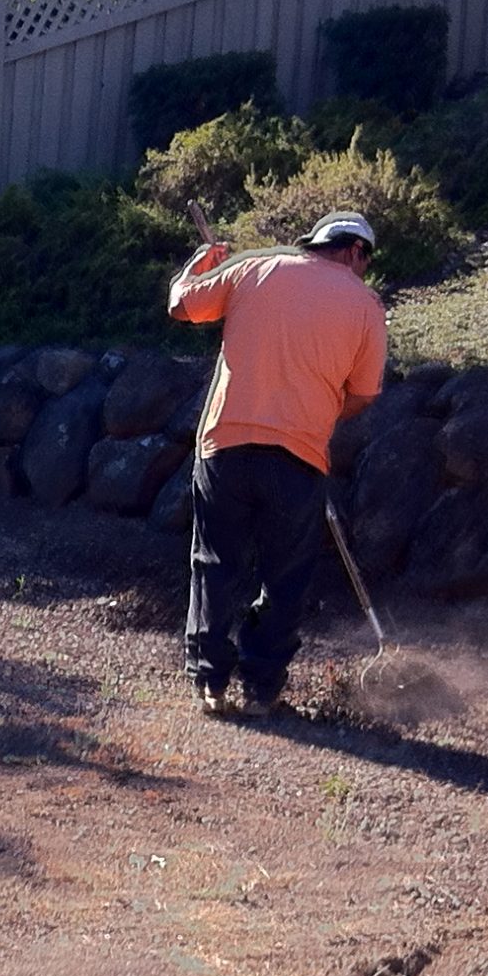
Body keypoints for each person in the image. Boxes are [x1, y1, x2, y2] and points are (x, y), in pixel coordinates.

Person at [166, 210, 387, 718]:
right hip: (298, 456)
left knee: (215, 562)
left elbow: (181, 306)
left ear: (317, 243)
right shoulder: (366, 306)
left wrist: (195, 267)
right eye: (366, 260)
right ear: (355, 252)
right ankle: (262, 688)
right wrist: (323, 412)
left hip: (226, 444)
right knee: (286, 575)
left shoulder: (254, 269)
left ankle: (211, 683)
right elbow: (365, 393)